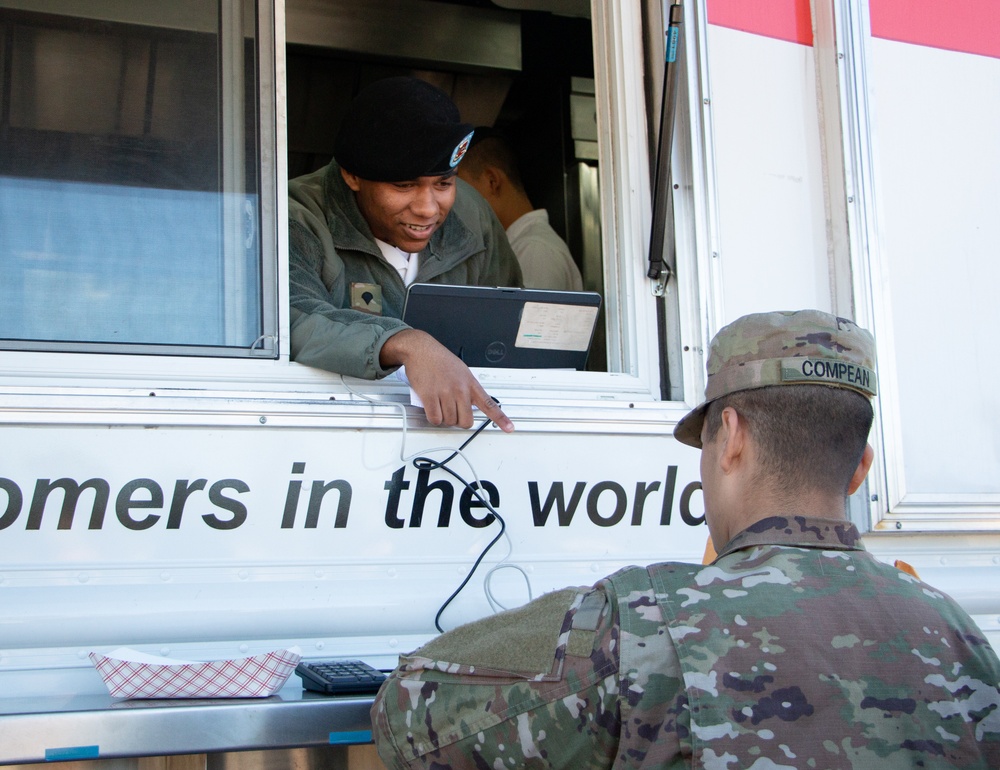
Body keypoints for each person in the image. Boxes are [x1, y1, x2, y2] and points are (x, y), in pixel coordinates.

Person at [370, 309, 1000, 769]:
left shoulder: (645, 619)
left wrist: (600, 606)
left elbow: (404, 717)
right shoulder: (955, 631)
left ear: (731, 438)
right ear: (861, 467)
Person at [287, 77, 522, 431]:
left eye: (444, 183)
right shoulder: (296, 216)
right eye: (404, 185)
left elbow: (512, 325)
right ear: (352, 175)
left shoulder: (473, 216)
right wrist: (404, 342)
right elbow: (292, 319)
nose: (428, 208)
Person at [457, 130, 583, 291]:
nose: (455, 201)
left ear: (492, 181)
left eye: (461, 187)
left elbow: (529, 316)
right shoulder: (520, 246)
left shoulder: (535, 250)